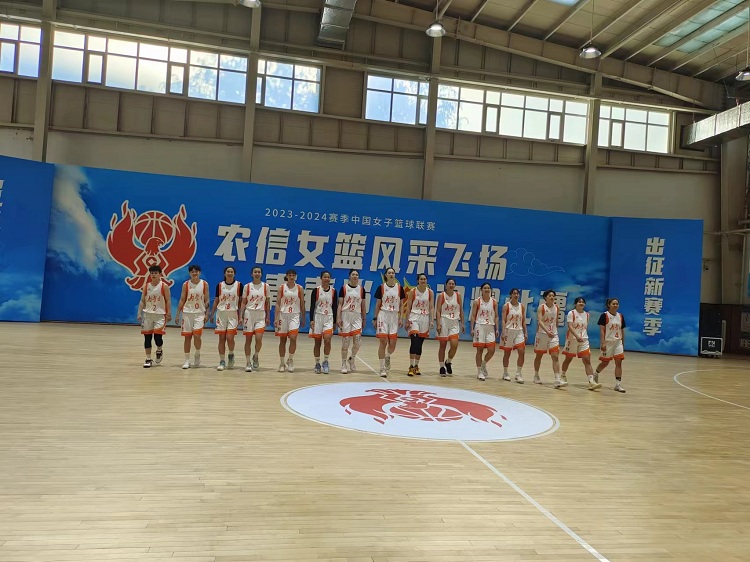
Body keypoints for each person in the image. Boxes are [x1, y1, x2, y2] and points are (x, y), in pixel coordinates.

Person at [561, 297, 602, 391]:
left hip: (584, 340)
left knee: (587, 359)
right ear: (575, 304)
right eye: (579, 302)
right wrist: (576, 336)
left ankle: (591, 382)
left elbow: (584, 328)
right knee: (568, 359)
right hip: (572, 339)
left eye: (583, 302)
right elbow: (570, 326)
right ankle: (562, 375)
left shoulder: (587, 315)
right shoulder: (571, 313)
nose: (581, 303)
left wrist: (582, 337)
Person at [174, 264, 209, 369]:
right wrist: (177, 314)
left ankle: (197, 353)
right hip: (187, 312)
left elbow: (207, 299)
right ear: (189, 273)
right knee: (187, 337)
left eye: (196, 271)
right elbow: (182, 299)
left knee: (197, 336)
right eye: (192, 271)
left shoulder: (204, 284)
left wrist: (207, 313)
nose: (194, 273)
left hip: (199, 313)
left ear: (199, 272)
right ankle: (186, 360)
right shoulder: (186, 284)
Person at [372, 267, 406, 378]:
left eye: (393, 273)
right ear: (386, 275)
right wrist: (375, 318)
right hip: (383, 314)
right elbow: (378, 304)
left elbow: (401, 304)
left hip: (394, 316)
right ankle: (382, 368)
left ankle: (387, 356)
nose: (391, 274)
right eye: (389, 273)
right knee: (383, 341)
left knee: (393, 344)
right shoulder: (381, 287)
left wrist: (401, 318)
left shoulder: (399, 288)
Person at [137, 264, 171, 368]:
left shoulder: (164, 286)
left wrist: (169, 313)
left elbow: (168, 300)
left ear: (160, 274)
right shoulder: (146, 286)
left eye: (155, 273)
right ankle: (148, 359)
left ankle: (159, 350)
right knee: (147, 338)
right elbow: (142, 300)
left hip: (160, 315)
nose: (153, 275)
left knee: (157, 338)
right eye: (152, 273)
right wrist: (139, 312)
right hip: (148, 314)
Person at [210, 266, 242, 371]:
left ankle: (231, 354)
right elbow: (216, 300)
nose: (230, 273)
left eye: (231, 271)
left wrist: (241, 315)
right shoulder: (220, 285)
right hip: (221, 313)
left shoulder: (239, 285)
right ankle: (222, 361)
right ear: (225, 273)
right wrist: (212, 313)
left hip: (233, 313)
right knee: (221, 338)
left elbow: (241, 302)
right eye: (228, 271)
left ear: (234, 273)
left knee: (230, 338)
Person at [239, 265, 270, 372]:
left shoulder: (266, 286)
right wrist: (241, 316)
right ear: (251, 274)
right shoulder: (247, 286)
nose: (257, 274)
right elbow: (243, 302)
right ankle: (248, 362)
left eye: (259, 272)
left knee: (258, 338)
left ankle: (256, 355)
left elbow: (267, 302)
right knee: (248, 340)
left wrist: (268, 316)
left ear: (261, 274)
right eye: (255, 272)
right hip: (249, 314)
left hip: (261, 314)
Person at [275, 268, 305, 373]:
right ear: (286, 276)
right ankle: (282, 363)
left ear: (295, 276)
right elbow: (278, 303)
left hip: (294, 315)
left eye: (293, 275)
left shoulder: (300, 288)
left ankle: (290, 359)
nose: (292, 277)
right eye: (290, 275)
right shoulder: (282, 287)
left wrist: (303, 317)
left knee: (293, 337)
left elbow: (302, 304)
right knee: (282, 340)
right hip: (283, 315)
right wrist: (276, 317)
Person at [404, 273, 434, 376]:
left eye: (424, 279)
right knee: (414, 341)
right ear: (418, 281)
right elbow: (408, 307)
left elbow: (431, 307)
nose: (423, 281)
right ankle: (411, 366)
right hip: (414, 317)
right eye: (421, 279)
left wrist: (432, 320)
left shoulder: (430, 292)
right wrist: (407, 320)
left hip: (425, 317)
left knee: (420, 343)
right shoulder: (413, 291)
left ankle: (416, 365)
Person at [595, 298, 627, 393]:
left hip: (618, 342)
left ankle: (618, 384)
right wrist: (603, 342)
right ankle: (595, 374)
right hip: (608, 342)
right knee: (605, 362)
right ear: (609, 305)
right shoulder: (604, 315)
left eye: (617, 304)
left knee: (619, 362)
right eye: (613, 303)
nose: (615, 305)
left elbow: (622, 330)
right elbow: (602, 330)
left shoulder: (620, 316)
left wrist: (622, 342)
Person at [338, 269, 366, 374]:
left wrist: (364, 318)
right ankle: (343, 363)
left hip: (357, 315)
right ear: (349, 276)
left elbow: (363, 305)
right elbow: (340, 304)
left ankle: (352, 358)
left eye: (357, 275)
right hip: (346, 315)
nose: (355, 276)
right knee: (345, 341)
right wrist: (338, 318)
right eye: (353, 274)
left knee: (357, 341)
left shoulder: (361, 289)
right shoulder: (344, 288)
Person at [309, 270, 337, 374]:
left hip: (329, 317)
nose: (327, 279)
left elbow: (335, 306)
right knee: (317, 342)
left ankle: (325, 361)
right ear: (321, 278)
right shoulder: (316, 290)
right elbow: (312, 306)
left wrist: (335, 321)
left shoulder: (333, 291)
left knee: (328, 339)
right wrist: (311, 320)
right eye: (325, 277)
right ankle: (317, 363)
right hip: (318, 317)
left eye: (328, 277)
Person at [470, 283, 499, 381]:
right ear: (481, 290)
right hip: (480, 326)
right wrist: (472, 328)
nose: (487, 289)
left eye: (488, 288)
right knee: (480, 350)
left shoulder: (494, 302)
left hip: (490, 326)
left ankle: (483, 363)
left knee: (491, 350)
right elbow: (473, 315)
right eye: (485, 288)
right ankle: (479, 372)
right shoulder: (477, 301)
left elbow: (496, 316)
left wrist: (497, 328)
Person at [436, 278, 464, 377]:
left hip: (454, 321)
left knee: (454, 345)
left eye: (453, 284)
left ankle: (448, 361)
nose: (451, 285)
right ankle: (441, 367)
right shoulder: (441, 295)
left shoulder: (458, 295)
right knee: (442, 345)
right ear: (446, 285)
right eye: (449, 283)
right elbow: (438, 310)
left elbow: (461, 309)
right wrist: (438, 324)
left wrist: (463, 323)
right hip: (444, 321)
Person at [533, 289, 562, 386]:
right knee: (539, 356)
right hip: (542, 334)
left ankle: (557, 379)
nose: (552, 297)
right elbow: (540, 321)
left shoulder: (557, 307)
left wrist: (554, 331)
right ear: (545, 297)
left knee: (555, 356)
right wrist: (547, 331)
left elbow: (556, 321)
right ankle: (536, 375)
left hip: (553, 335)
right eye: (550, 296)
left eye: (553, 296)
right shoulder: (541, 307)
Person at [499, 287, 528, 383]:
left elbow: (523, 320)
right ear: (511, 295)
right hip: (509, 330)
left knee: (521, 352)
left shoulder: (522, 306)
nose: (516, 295)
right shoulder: (506, 306)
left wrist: (525, 332)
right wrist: (503, 331)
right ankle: (505, 373)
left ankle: (518, 374)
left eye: (517, 293)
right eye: (514, 293)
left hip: (519, 331)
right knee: (507, 353)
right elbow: (503, 320)